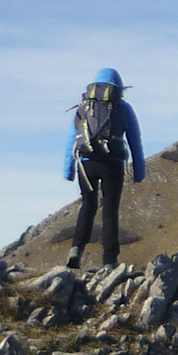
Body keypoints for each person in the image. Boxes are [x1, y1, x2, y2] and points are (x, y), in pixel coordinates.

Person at [63, 68, 145, 270]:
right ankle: (109, 260)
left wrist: (68, 170)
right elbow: (135, 141)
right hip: (112, 164)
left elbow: (72, 139)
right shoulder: (123, 108)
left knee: (88, 207)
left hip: (86, 163)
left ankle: (76, 250)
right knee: (109, 211)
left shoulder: (84, 107)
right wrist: (139, 172)